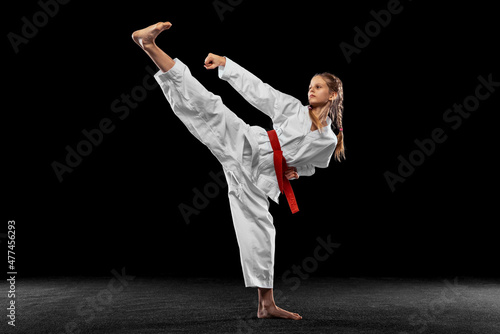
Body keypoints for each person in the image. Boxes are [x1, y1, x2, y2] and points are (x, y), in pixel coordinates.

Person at [131, 21, 345, 320]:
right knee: (206, 105)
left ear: (332, 95)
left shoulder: (327, 139)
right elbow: (261, 92)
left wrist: (296, 171)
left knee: (261, 231)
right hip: (250, 144)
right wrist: (226, 65)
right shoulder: (294, 109)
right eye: (310, 85)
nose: (311, 89)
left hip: (260, 178)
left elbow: (311, 165)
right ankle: (150, 45)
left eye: (318, 86)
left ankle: (266, 305)